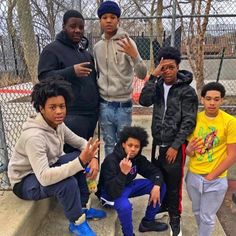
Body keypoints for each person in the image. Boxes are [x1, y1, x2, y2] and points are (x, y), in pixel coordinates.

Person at [7, 77, 106, 236]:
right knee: (67, 182)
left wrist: (92, 158)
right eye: (52, 107)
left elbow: (80, 142)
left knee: (75, 158)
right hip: (25, 180)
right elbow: (45, 178)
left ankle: (81, 208)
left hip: (44, 169)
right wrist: (81, 162)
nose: (59, 111)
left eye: (62, 106)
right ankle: (76, 223)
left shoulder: (57, 124)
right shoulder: (34, 137)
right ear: (41, 108)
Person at [139, 46, 198, 236]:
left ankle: (175, 220)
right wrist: (153, 76)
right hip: (158, 144)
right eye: (164, 68)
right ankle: (162, 209)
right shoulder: (157, 86)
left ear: (178, 67)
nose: (168, 71)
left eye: (171, 67)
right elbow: (143, 100)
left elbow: (189, 121)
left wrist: (175, 146)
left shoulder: (187, 91)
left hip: (175, 146)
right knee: (160, 180)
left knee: (174, 187)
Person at [38, 9, 99, 154]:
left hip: (91, 115)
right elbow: (44, 77)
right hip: (71, 116)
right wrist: (71, 72)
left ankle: (85, 178)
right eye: (73, 26)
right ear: (64, 27)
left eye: (81, 27)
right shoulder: (52, 50)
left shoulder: (85, 53)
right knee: (72, 157)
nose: (77, 30)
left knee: (87, 157)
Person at [94, 1, 147, 157]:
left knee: (123, 145)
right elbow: (98, 74)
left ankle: (122, 177)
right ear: (100, 21)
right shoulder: (97, 47)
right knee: (109, 144)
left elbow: (142, 74)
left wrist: (134, 55)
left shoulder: (128, 43)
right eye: (104, 17)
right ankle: (111, 177)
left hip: (123, 105)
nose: (108, 20)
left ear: (118, 20)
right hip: (104, 104)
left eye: (113, 17)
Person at [96, 126, 168, 236]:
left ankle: (148, 222)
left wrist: (157, 186)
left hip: (126, 187)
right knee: (125, 206)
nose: (133, 149)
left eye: (136, 146)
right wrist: (123, 173)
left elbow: (155, 172)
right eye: (130, 145)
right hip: (109, 195)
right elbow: (112, 192)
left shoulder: (137, 158)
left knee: (160, 185)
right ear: (123, 144)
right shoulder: (111, 160)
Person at [185, 82, 236, 236]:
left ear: (222, 100)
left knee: (207, 217)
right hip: (193, 175)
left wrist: (211, 177)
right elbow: (189, 151)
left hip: (215, 179)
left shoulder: (230, 122)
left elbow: (232, 155)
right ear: (202, 100)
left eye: (216, 99)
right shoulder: (194, 119)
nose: (212, 103)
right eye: (208, 99)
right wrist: (189, 151)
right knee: (197, 211)